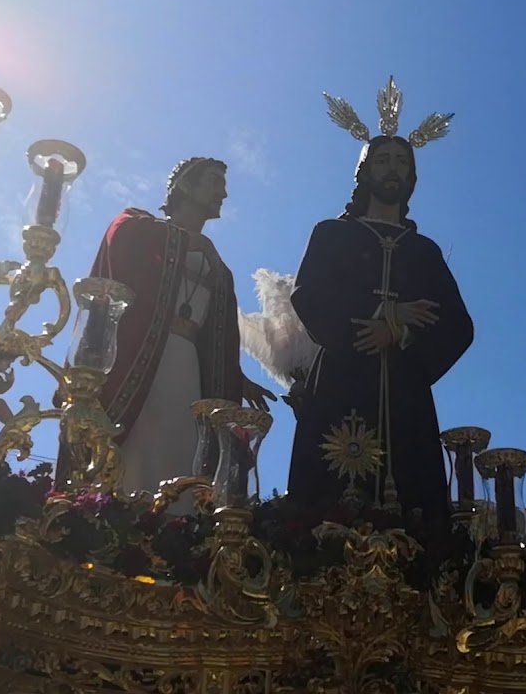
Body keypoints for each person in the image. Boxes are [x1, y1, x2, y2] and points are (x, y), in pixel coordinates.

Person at [287, 132, 473, 527]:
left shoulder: (424, 251)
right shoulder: (331, 234)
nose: (393, 169)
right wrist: (385, 309)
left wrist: (399, 334)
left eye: (402, 162)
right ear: (365, 170)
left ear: (412, 177)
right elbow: (310, 294)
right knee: (327, 502)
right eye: (383, 159)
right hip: (341, 376)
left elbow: (458, 323)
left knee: (411, 500)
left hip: (405, 390)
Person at [65, 157, 275, 495]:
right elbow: (120, 237)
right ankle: (115, 516)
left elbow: (213, 336)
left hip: (188, 366)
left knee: (182, 449)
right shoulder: (140, 225)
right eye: (213, 181)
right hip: (143, 360)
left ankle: (173, 529)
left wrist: (235, 378)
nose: (223, 192)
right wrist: (184, 240)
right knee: (136, 449)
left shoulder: (218, 266)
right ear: (185, 187)